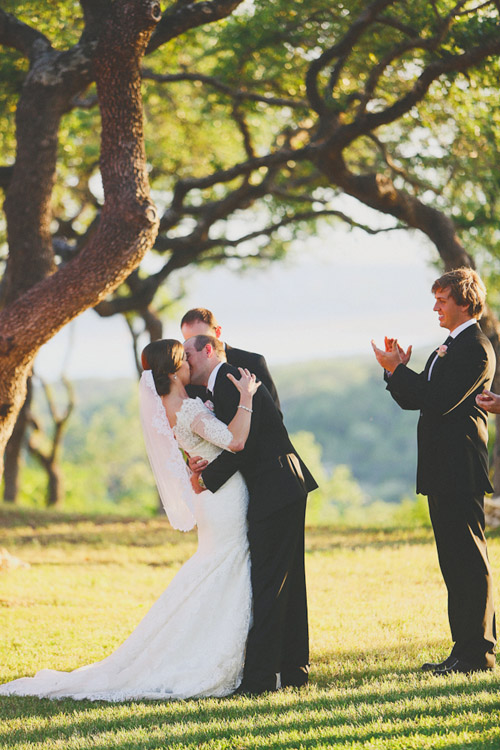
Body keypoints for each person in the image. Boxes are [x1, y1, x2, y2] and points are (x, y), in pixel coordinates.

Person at [0, 340, 260, 701]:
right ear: (173, 371)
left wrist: (194, 461)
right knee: (225, 564)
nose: (189, 363)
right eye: (184, 359)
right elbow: (235, 440)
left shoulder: (181, 407)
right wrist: (247, 396)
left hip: (212, 498)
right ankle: (209, 652)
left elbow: (198, 445)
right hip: (222, 501)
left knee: (215, 566)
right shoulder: (186, 410)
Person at [372, 267, 496, 676]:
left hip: (460, 466)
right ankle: (462, 651)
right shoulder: (448, 346)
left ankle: (479, 653)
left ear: (465, 301)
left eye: (442, 300)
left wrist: (406, 374)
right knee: (452, 563)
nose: (435, 307)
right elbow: (415, 400)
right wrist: (394, 370)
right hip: (442, 468)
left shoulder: (475, 348)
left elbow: (438, 400)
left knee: (468, 561)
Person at [184, 334, 318, 695]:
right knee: (283, 580)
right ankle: (293, 670)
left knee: (270, 583)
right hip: (280, 485)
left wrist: (205, 479)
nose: (185, 360)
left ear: (208, 350)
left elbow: (245, 445)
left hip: (276, 486)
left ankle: (260, 680)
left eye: (189, 353)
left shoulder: (230, 382)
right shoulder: (221, 386)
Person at [181, 307, 281, 412]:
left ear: (218, 332)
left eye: (201, 338)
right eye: (188, 340)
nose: (195, 343)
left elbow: (274, 412)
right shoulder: (191, 373)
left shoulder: (252, 362)